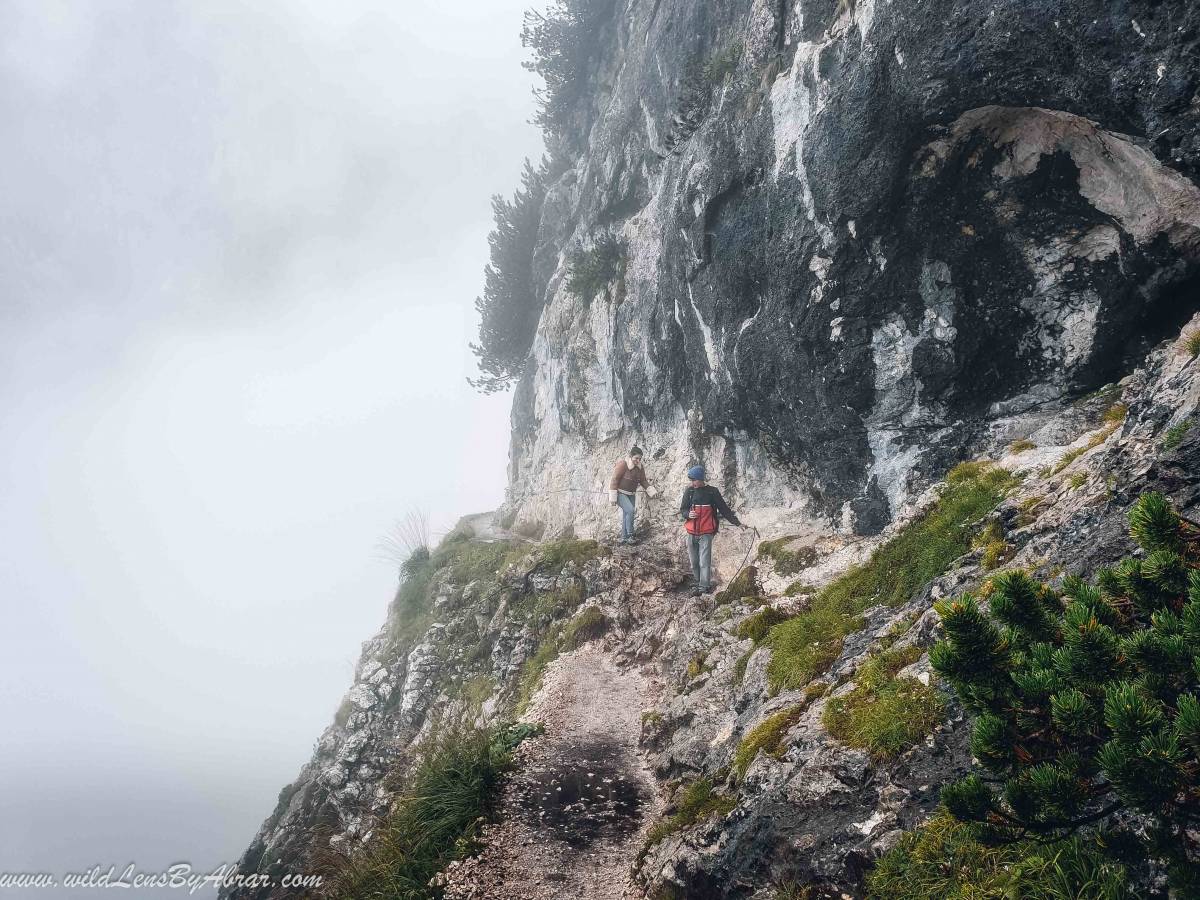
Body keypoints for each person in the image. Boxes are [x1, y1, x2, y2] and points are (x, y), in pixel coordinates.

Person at [679, 464, 742, 595]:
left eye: (694, 480)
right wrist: (687, 514)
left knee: (704, 562)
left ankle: (704, 587)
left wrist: (737, 523)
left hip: (706, 532)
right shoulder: (689, 491)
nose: (692, 483)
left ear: (701, 479)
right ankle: (697, 583)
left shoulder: (712, 492)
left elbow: (724, 509)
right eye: (691, 480)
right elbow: (683, 509)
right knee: (694, 562)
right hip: (691, 532)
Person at [609, 446, 657, 544]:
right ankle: (631, 535)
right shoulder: (623, 464)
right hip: (620, 493)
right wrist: (613, 497)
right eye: (636, 458)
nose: (638, 461)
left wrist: (651, 491)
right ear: (631, 456)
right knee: (630, 510)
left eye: (640, 459)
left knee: (626, 514)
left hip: (631, 494)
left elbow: (643, 480)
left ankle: (624, 538)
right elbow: (614, 479)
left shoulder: (640, 467)